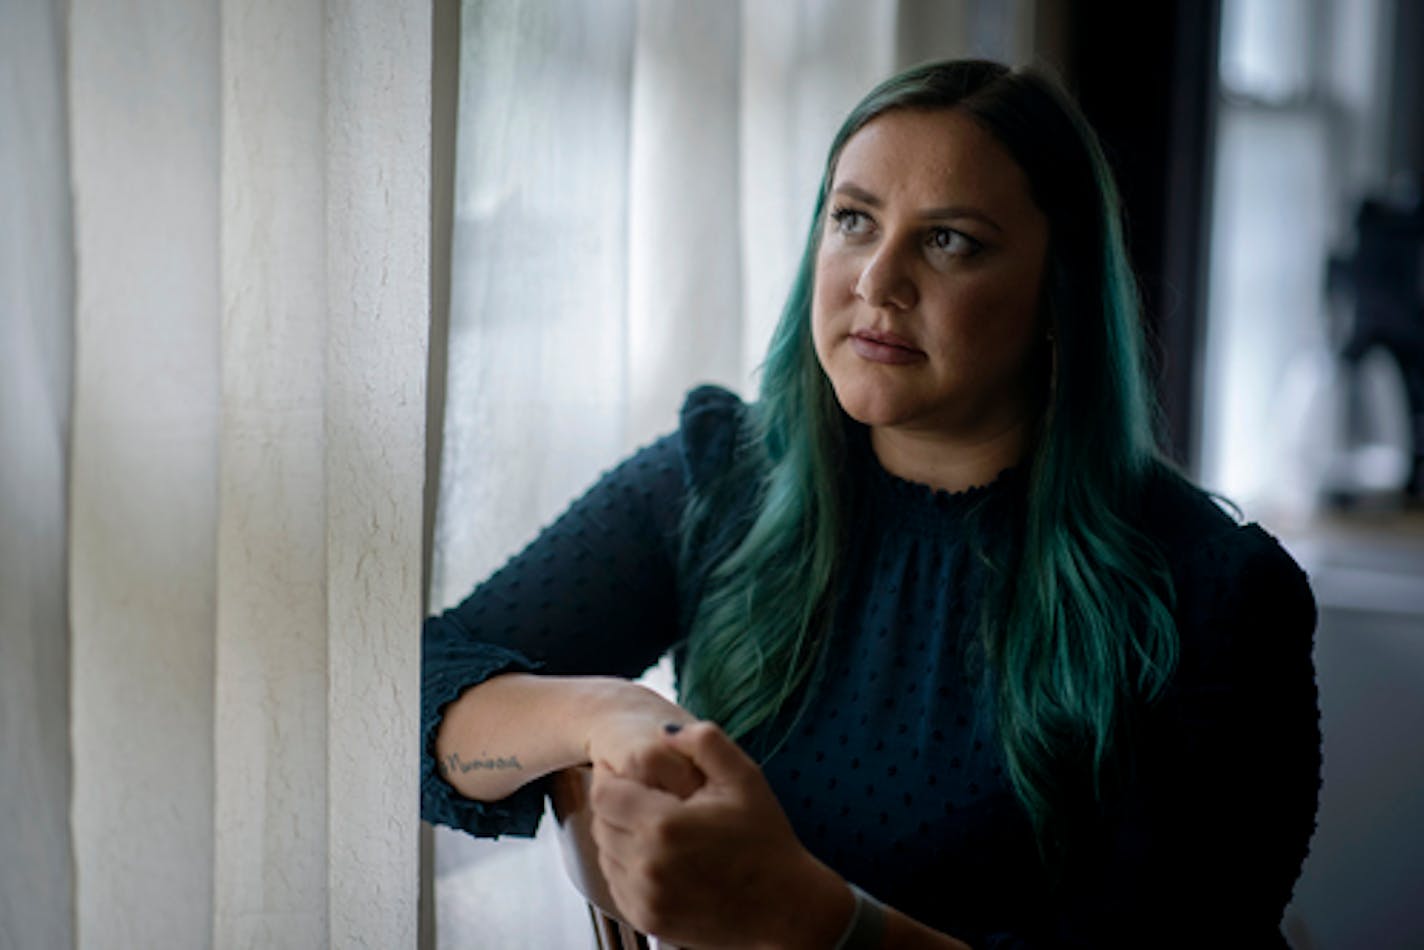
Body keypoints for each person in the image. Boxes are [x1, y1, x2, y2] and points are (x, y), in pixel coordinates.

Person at [421, 59, 1321, 949]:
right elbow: (421, 693)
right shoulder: (719, 479)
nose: (875, 282)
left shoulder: (1215, 595)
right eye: (854, 220)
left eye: (949, 240)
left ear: (1058, 294)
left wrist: (812, 919)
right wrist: (603, 712)